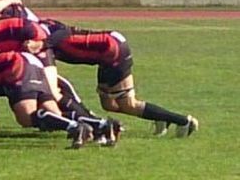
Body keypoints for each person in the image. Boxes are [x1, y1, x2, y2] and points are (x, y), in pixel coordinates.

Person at [46, 21, 198, 137]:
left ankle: (184, 121)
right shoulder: (41, 26)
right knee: (109, 104)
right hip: (106, 54)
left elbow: (63, 32)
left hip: (114, 51)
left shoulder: (39, 36)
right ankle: (160, 117)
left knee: (128, 104)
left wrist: (46, 42)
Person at [0, 49, 119, 148]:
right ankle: (102, 124)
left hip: (15, 67)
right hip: (31, 62)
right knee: (53, 115)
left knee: (27, 117)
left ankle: (75, 128)